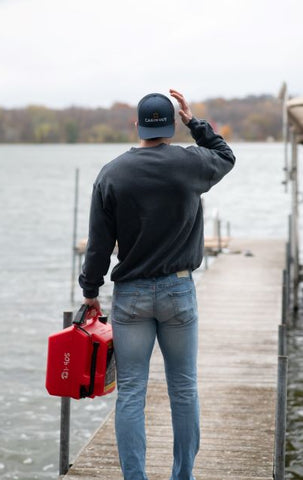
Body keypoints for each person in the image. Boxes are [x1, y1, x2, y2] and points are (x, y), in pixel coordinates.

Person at [79, 89, 235, 480]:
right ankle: (182, 476)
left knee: (131, 393)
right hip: (178, 291)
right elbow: (226, 156)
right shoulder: (192, 162)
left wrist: (90, 292)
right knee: (184, 389)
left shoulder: (112, 173)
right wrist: (194, 122)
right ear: (170, 124)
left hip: (131, 296)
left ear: (136, 124)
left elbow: (99, 245)